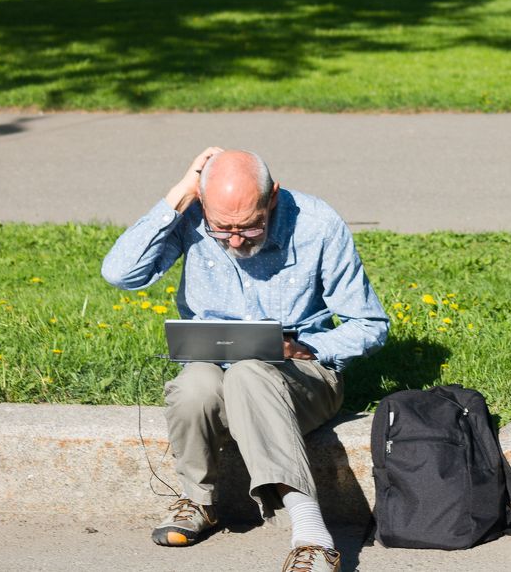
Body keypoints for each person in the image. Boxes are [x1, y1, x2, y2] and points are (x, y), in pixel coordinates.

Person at [102, 148, 389, 572]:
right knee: (194, 385)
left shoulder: (317, 223)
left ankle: (312, 535)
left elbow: (370, 324)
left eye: (249, 227)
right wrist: (180, 196)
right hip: (214, 370)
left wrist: (307, 347)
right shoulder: (192, 213)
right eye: (221, 230)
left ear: (272, 197)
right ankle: (198, 502)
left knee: (249, 374)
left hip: (303, 375)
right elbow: (121, 274)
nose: (236, 240)